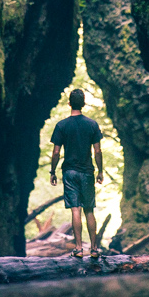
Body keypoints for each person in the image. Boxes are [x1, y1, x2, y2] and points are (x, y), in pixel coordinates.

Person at [49, 88, 105, 257]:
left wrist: (53, 171)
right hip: (87, 172)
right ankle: (94, 249)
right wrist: (100, 171)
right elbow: (97, 151)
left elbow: (56, 152)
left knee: (75, 209)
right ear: (83, 104)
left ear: (69, 104)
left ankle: (79, 249)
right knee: (89, 210)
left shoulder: (62, 125)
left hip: (70, 172)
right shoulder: (92, 125)